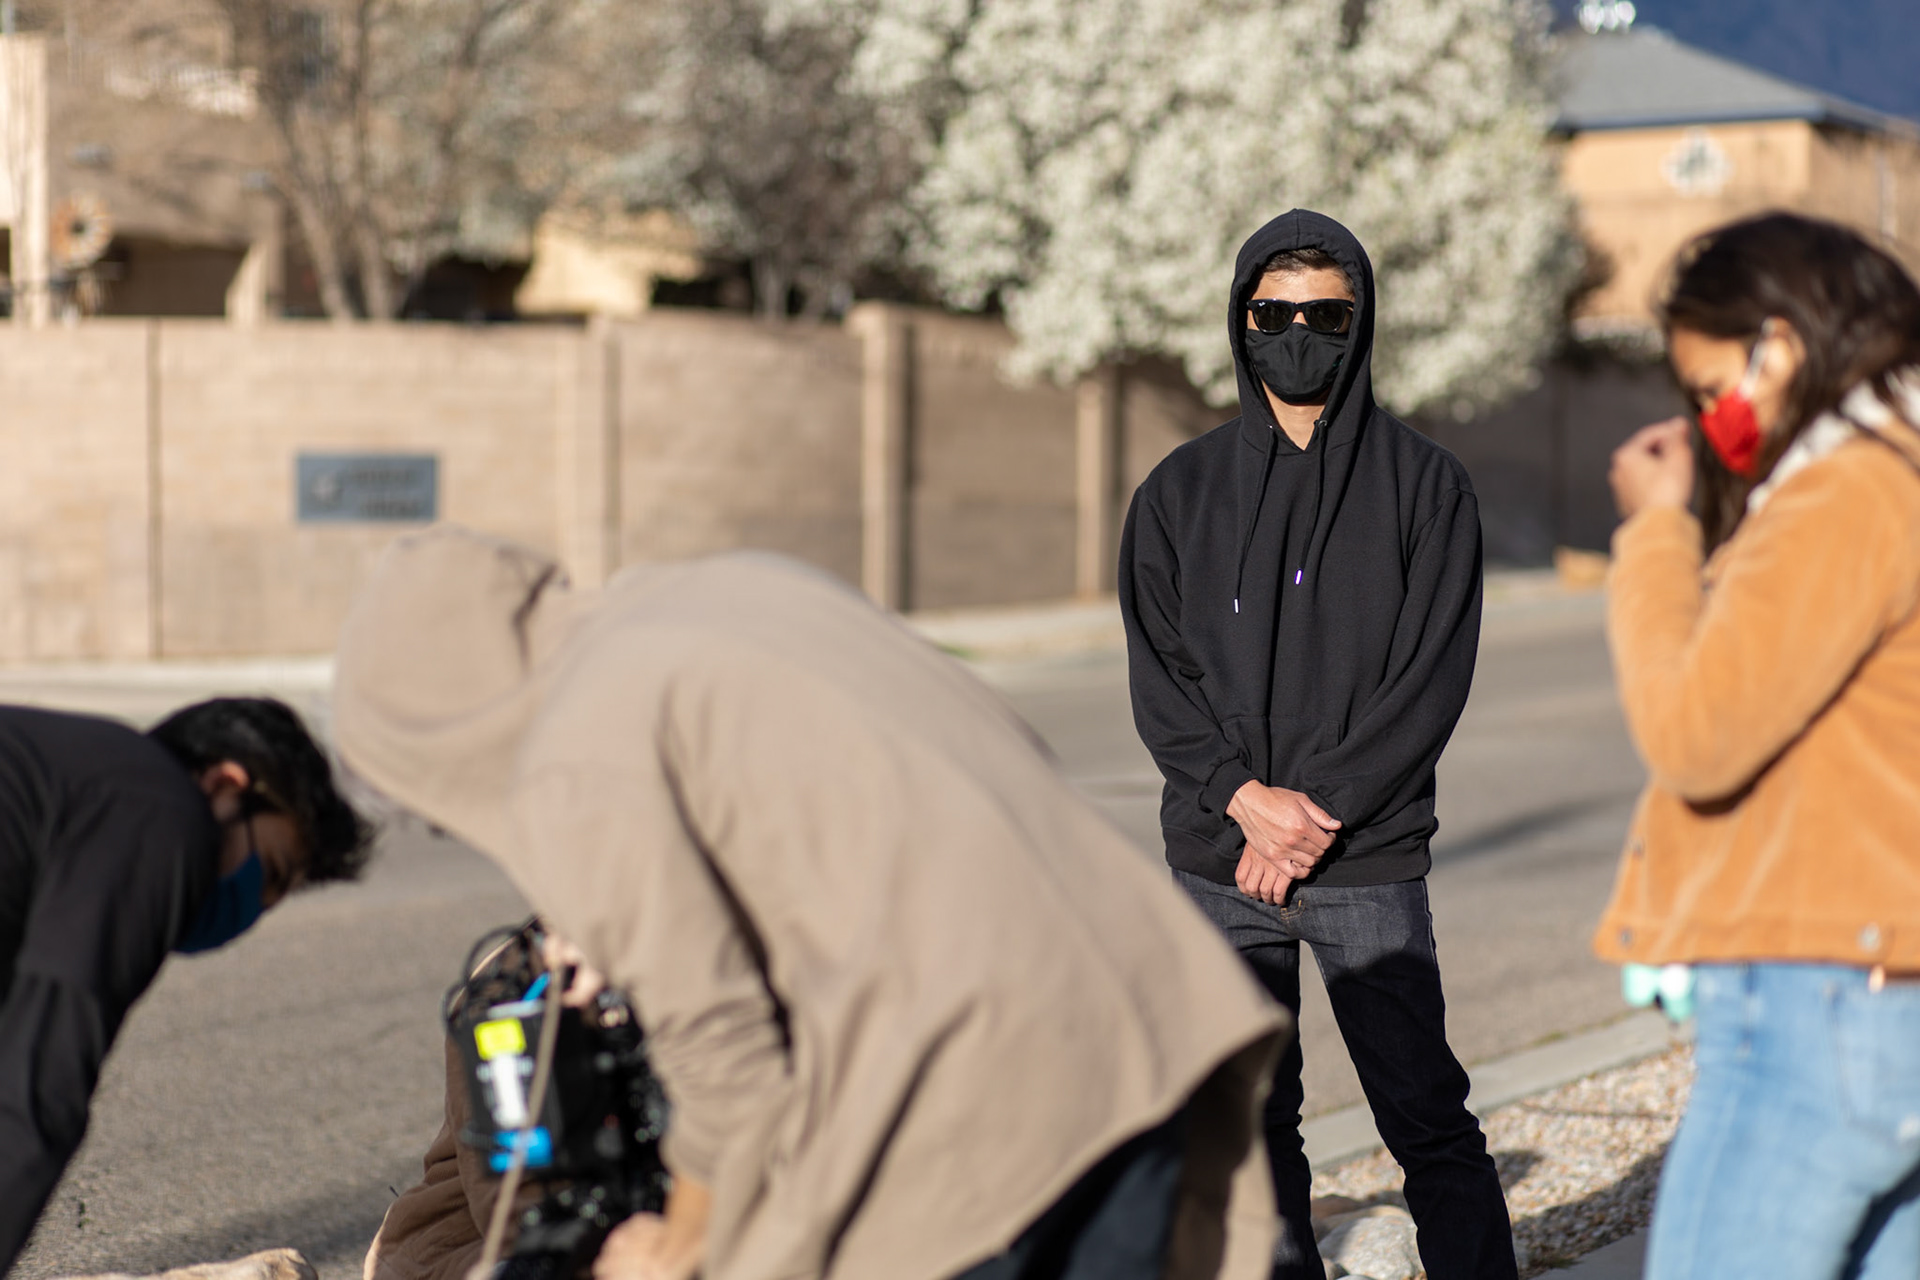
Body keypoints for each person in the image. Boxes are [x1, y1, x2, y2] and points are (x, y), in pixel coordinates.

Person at [330, 527, 1292, 1280]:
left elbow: (727, 1069)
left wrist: (677, 1246)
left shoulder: (576, 749)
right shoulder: (730, 591)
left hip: (973, 1108)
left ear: (439, 731)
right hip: (1139, 1037)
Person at [1118, 208, 1513, 1280]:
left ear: (1361, 322)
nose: (1297, 335)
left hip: (1365, 858)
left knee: (1425, 1113)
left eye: (1325, 317)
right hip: (1221, 861)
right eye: (1274, 314)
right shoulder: (1178, 493)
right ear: (1240, 320)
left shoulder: (1427, 487)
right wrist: (1246, 799)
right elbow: (1159, 677)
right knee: (1250, 1127)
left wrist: (1310, 817)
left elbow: (1429, 680)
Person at [1595, 212, 1920, 1279]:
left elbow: (1698, 733)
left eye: (1709, 387)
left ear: (1776, 348)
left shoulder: (1849, 487)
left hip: (1819, 1001)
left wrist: (1656, 531)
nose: (1709, 420)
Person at [0, 697, 374, 1270]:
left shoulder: (79, 780)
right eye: (268, 870)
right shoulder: (161, 814)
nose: (254, 906)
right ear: (225, 785)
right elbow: (41, 1089)